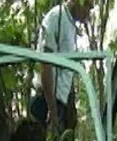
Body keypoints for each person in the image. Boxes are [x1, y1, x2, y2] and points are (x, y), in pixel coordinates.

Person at [30, 0, 95, 133]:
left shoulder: (70, 24)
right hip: (46, 102)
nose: (88, 13)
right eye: (87, 7)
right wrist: (52, 110)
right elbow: (45, 65)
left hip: (58, 103)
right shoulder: (56, 18)